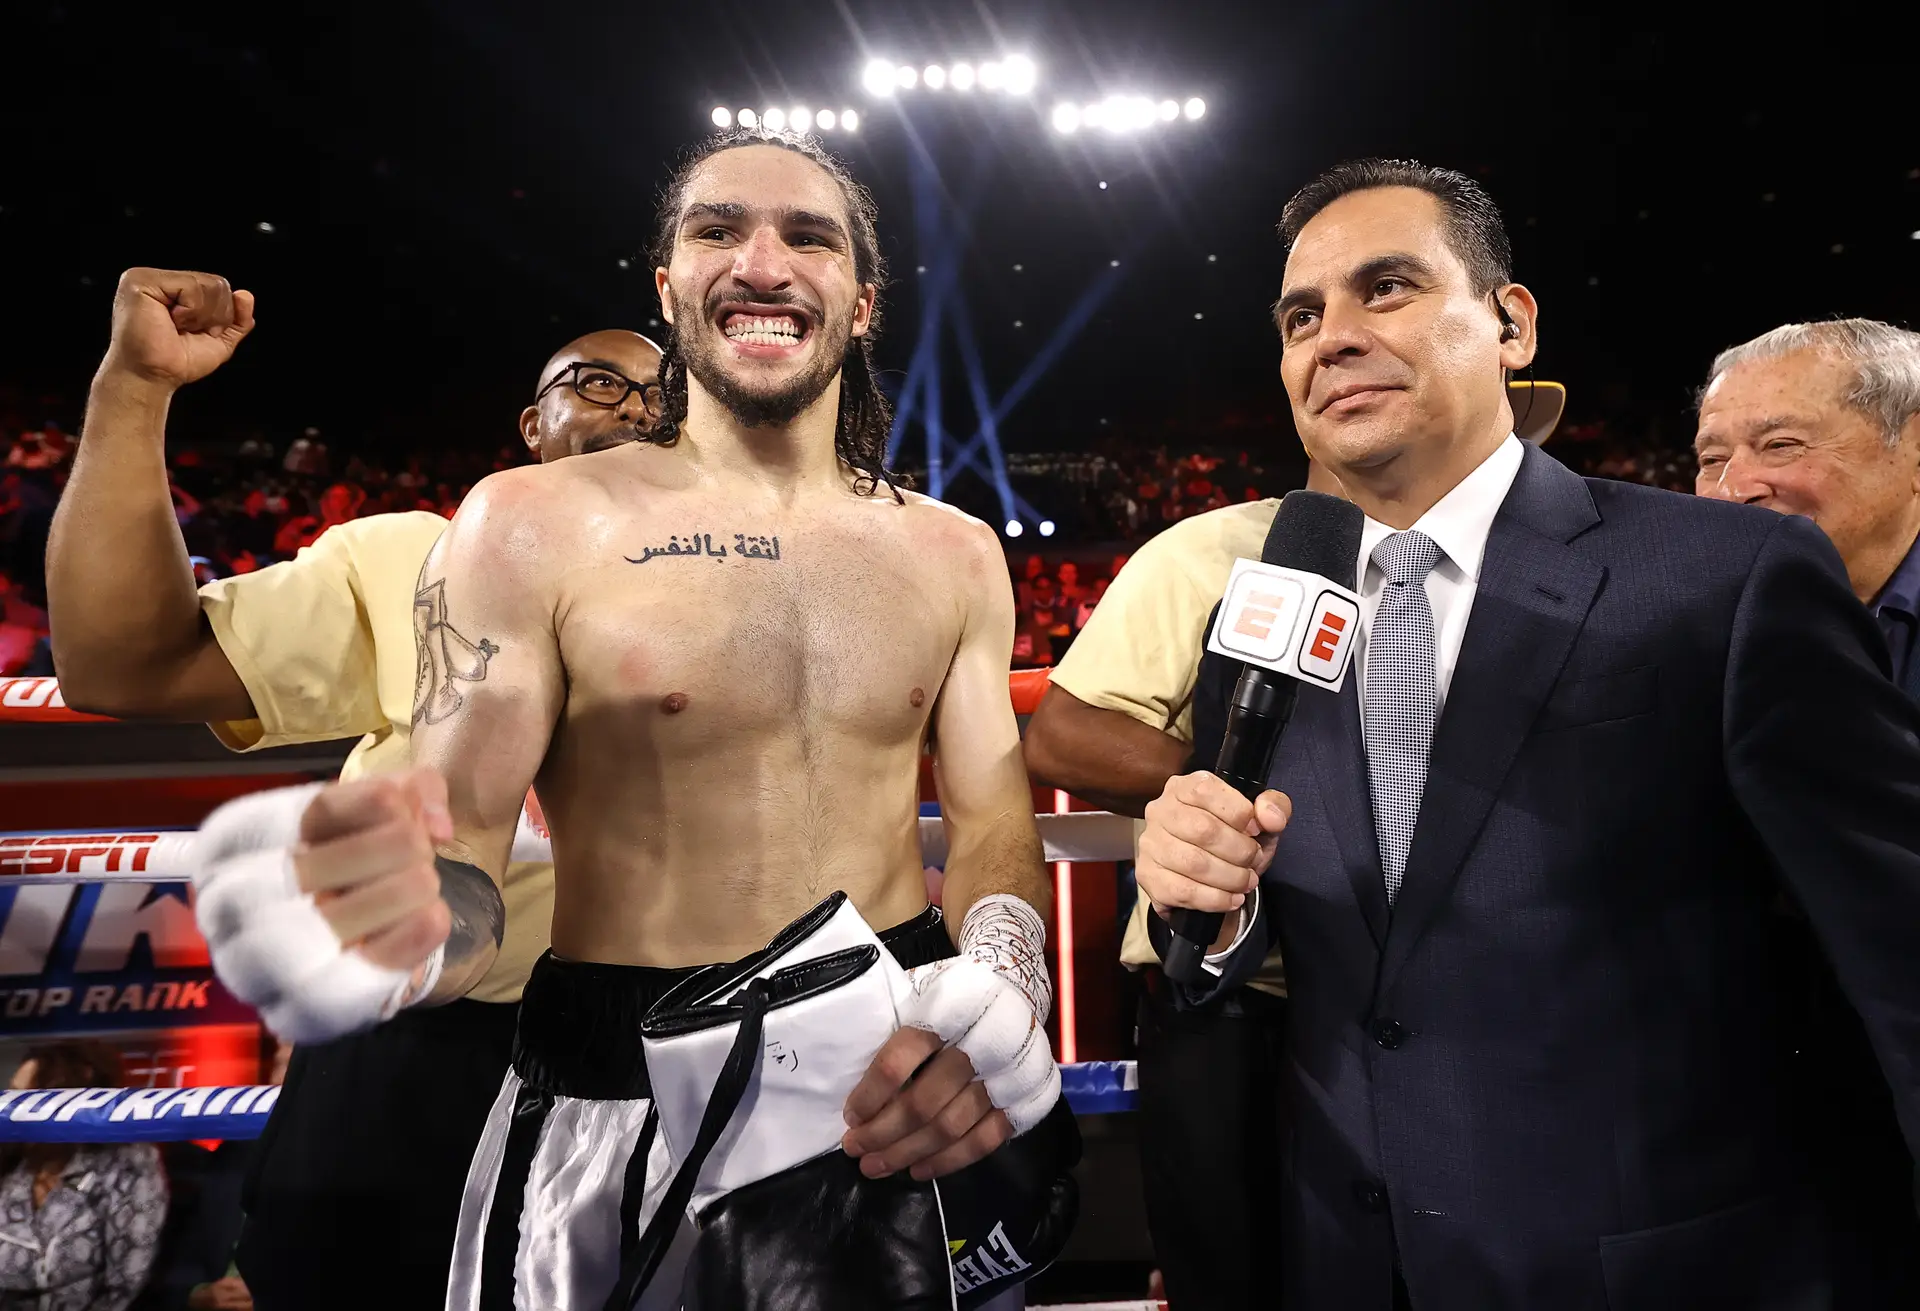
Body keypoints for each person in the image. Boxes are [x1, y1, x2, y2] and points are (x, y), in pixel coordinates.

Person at [182, 129, 1074, 1311]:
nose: (762, 262)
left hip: (892, 1076)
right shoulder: (528, 524)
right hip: (614, 1085)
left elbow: (992, 817)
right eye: (718, 230)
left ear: (861, 302)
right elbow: (460, 842)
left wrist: (1005, 981)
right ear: (669, 291)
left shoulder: (956, 552)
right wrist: (383, 935)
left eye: (808, 237)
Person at [1132, 158, 1920, 1311]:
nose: (1332, 338)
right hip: (1351, 1268)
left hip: (1657, 1269)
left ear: (1510, 324)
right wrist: (1211, 896)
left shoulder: (1722, 575)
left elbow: (1897, 945)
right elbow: (1248, 957)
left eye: (1386, 288)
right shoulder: (1265, 611)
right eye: (1302, 316)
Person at [44, 266, 663, 1311]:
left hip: (657, 1046)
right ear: (533, 422)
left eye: (665, 395)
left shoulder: (761, 599)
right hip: (414, 1047)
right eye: (599, 382)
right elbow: (119, 662)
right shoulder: (410, 558)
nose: (641, 408)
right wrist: (135, 389)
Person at [1022, 439, 1545, 1311]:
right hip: (1237, 992)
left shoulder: (1507, 570)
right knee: (1237, 1274)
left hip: (1455, 993)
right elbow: (1065, 734)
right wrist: (1280, 779)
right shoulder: (1207, 552)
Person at [1694, 317, 1920, 1306]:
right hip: (1783, 1168)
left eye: (1780, 445)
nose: (1739, 486)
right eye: (1711, 457)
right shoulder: (1690, 641)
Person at [0, 1042, 167, 1311]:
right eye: (11, 1096)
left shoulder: (127, 1164)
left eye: (25, 1098)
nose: (10, 1111)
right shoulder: (11, 1161)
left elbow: (127, 1284)